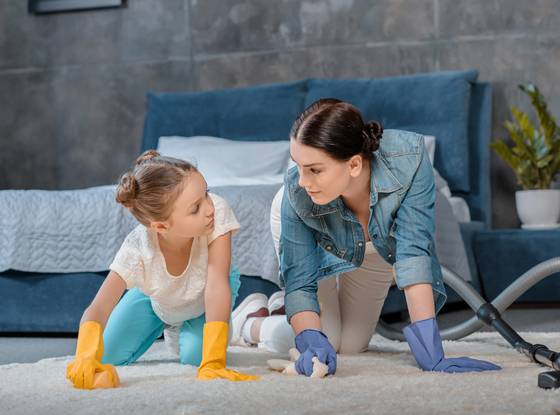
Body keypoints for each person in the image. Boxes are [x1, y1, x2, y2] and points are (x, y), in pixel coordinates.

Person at [233, 99, 501, 377]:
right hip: (316, 231)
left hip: (376, 246)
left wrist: (432, 353)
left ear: (354, 165)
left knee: (350, 346)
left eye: (314, 169)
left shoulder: (409, 162)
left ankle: (281, 308)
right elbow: (301, 280)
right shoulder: (297, 194)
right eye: (298, 166)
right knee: (328, 342)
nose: (302, 180)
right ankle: (252, 323)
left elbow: (413, 254)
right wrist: (309, 337)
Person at [65, 150, 258, 389]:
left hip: (207, 291)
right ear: (161, 226)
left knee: (196, 359)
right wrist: (84, 355)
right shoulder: (137, 249)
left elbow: (217, 284)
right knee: (106, 355)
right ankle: (172, 322)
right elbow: (99, 306)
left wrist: (214, 361)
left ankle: (234, 321)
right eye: (195, 208)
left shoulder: (216, 212)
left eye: (206, 193)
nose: (209, 208)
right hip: (158, 295)